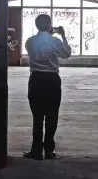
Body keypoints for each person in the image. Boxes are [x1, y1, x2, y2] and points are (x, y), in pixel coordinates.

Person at [23, 14, 72, 160]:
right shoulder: (55, 41)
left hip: (36, 80)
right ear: (50, 25)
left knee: (37, 117)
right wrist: (63, 36)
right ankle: (49, 151)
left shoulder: (29, 42)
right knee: (52, 115)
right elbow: (66, 54)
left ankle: (36, 151)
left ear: (36, 25)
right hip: (52, 81)